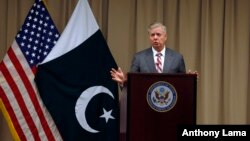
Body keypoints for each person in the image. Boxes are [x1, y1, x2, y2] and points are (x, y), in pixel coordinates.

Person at [110, 22, 190, 86]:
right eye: (152, 35)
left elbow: (183, 85)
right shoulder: (139, 58)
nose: (155, 38)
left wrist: (190, 79)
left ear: (165, 37)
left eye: (158, 34)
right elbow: (133, 83)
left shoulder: (177, 58)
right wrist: (124, 81)